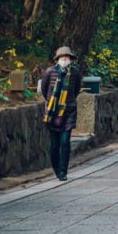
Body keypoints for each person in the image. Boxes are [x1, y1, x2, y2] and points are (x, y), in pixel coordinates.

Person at [41, 45, 82, 181]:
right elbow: (44, 89)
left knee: (65, 142)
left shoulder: (75, 72)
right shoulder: (49, 72)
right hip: (52, 113)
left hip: (69, 111)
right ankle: (56, 168)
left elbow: (76, 89)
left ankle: (63, 171)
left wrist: (68, 102)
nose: (65, 59)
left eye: (67, 57)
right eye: (62, 57)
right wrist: (52, 104)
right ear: (58, 59)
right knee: (54, 144)